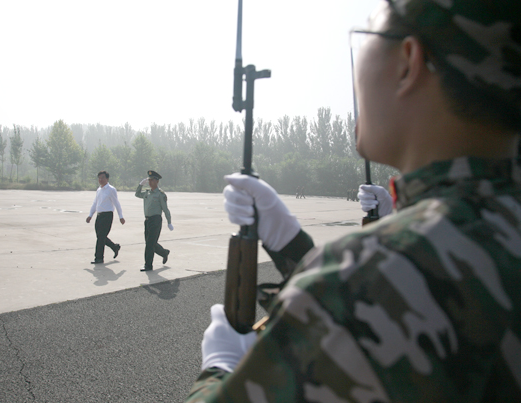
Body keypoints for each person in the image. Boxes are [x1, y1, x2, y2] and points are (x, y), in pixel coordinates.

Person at [187, 0, 521, 401]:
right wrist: (292, 243)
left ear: (407, 61)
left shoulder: (371, 275)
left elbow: (366, 297)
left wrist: (219, 370)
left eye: (366, 37)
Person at [135, 170, 173, 272]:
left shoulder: (160, 194)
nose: (150, 182)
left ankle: (148, 265)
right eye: (149, 180)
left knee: (149, 244)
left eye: (152, 180)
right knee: (150, 243)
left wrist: (169, 222)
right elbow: (137, 194)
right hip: (147, 221)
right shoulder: (147, 192)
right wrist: (140, 185)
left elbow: (165, 209)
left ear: (157, 181)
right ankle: (164, 253)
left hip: (155, 220)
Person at [86, 171, 124, 264]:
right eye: (99, 178)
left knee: (101, 238)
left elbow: (116, 203)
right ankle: (114, 247)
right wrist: (90, 215)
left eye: (102, 178)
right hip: (99, 216)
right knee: (100, 237)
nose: (100, 180)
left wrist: (121, 216)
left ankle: (99, 258)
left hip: (107, 216)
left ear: (107, 179)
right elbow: (95, 203)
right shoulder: (99, 189)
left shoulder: (111, 189)